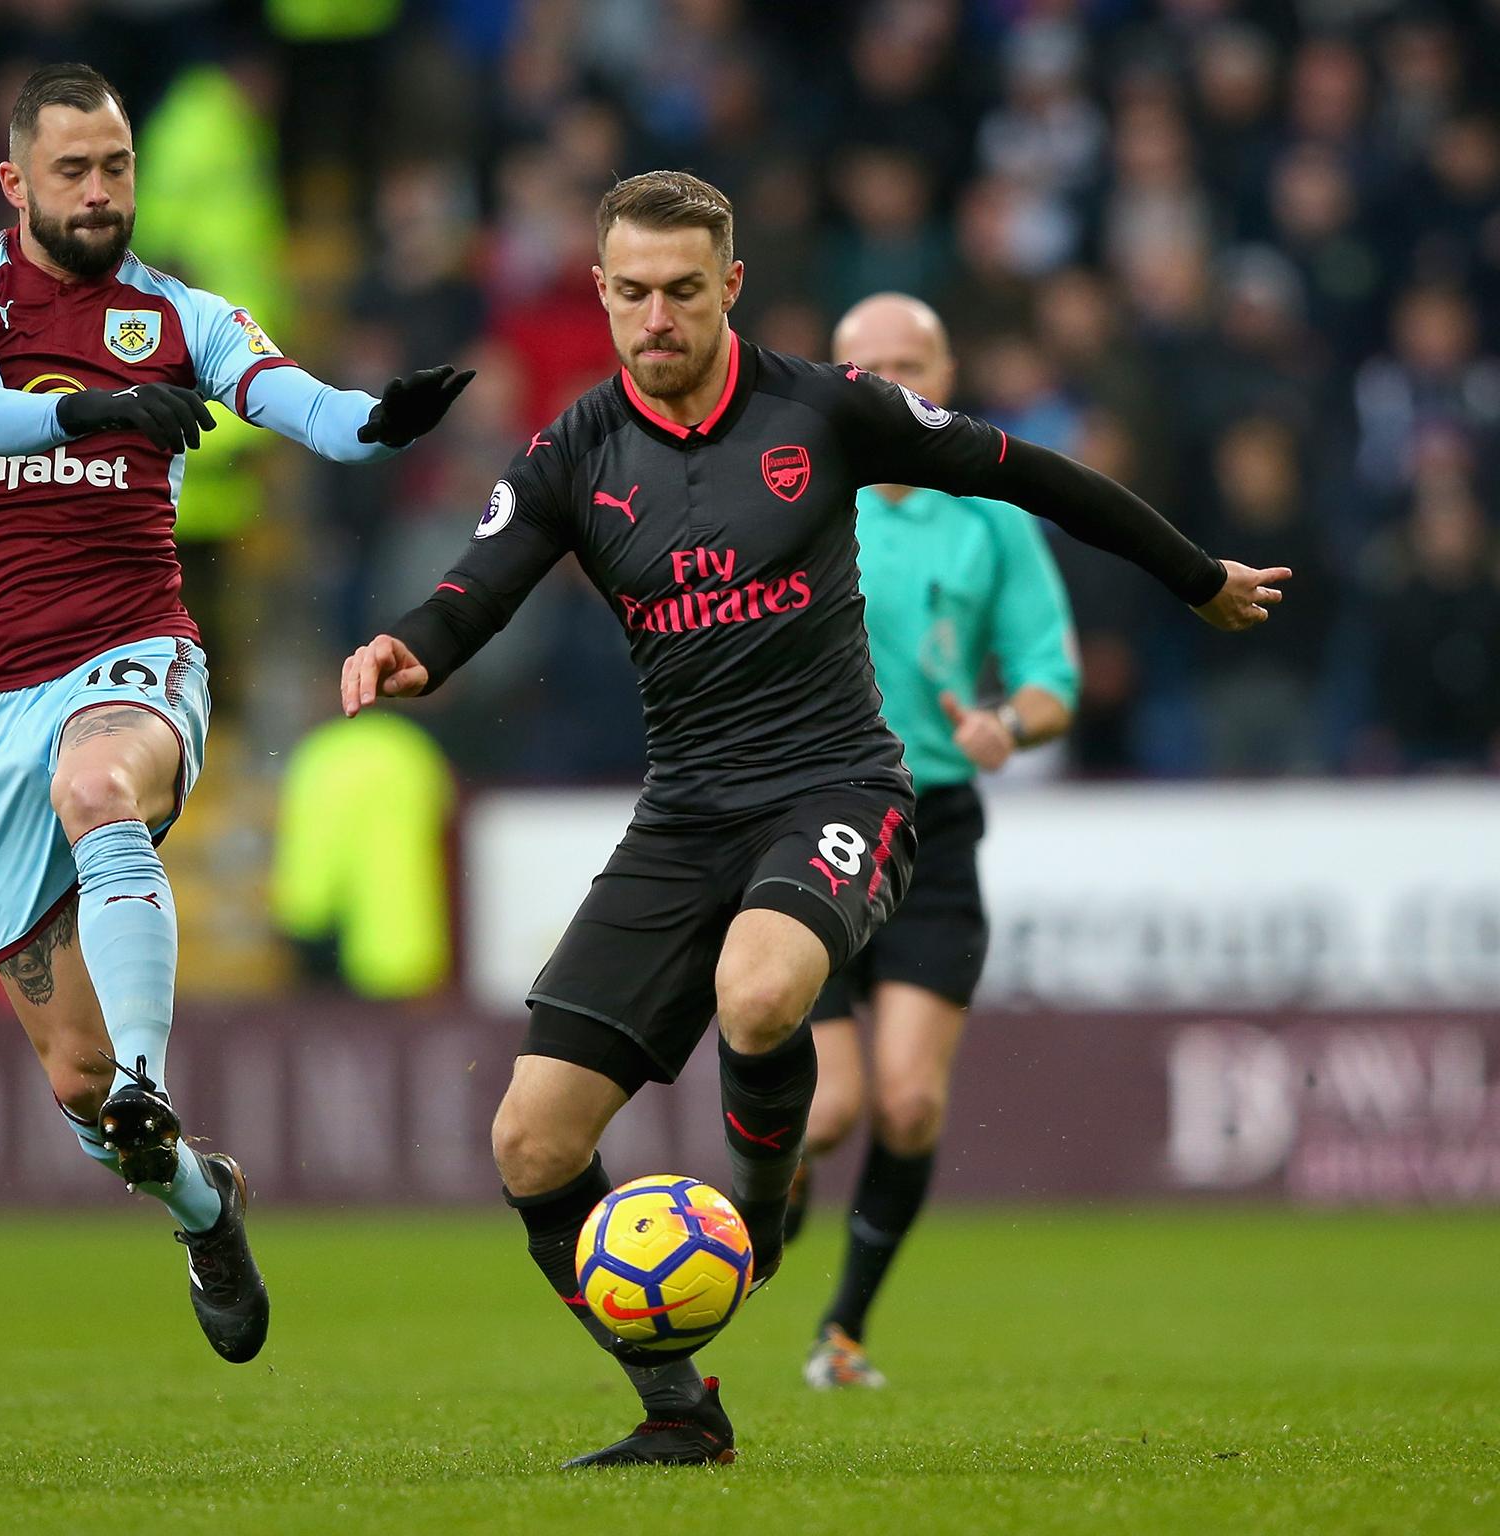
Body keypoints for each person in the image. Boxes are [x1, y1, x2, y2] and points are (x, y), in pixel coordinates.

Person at [341, 171, 1287, 1467]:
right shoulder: (575, 450)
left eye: (683, 291)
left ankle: (764, 1210)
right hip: (683, 815)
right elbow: (479, 585)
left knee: (761, 989)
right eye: (632, 293)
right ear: (603, 294)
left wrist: (1197, 579)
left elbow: (1028, 472)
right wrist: (408, 647)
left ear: (730, 286)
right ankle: (681, 1411)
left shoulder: (824, 411)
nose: (656, 317)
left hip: (836, 786)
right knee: (531, 1137)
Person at [0, 63, 470, 1365]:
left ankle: (156, 1075)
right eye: (72, 172)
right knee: (76, 1087)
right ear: (16, 183)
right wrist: (101, 406)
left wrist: (382, 421)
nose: (100, 193)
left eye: (116, 169)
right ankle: (203, 1205)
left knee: (100, 790)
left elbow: (298, 404)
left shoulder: (179, 312)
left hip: (130, 656)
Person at [782, 293, 1080, 1392]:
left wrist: (1011, 721)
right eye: (870, 365)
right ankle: (776, 1170)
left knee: (906, 1103)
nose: (894, 382)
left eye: (913, 362)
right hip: (810, 813)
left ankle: (843, 1332)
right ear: (837, 374)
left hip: (935, 824)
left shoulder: (992, 513)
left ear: (945, 373)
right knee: (833, 1106)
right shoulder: (795, 491)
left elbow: (1053, 675)